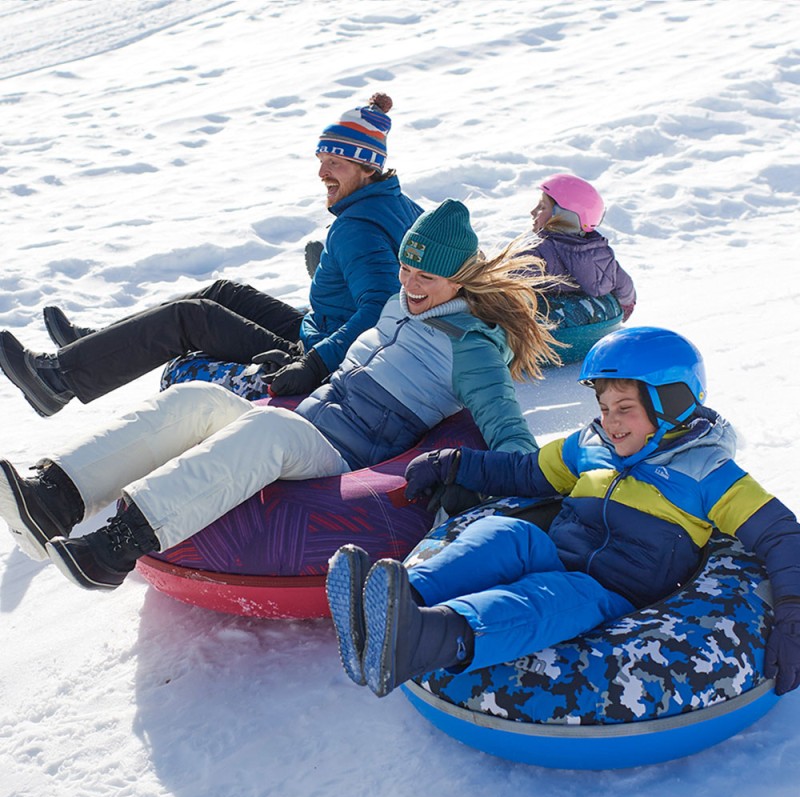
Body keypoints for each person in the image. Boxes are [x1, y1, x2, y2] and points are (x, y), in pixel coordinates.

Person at [0, 199, 561, 592]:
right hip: (312, 417)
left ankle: (116, 547)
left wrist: (530, 486)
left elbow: (505, 426)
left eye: (426, 278)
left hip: (343, 456)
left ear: (460, 280)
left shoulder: (473, 346)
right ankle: (55, 496)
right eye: (405, 268)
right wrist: (306, 365)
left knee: (269, 430)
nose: (410, 284)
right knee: (195, 397)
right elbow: (355, 346)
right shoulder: (401, 302)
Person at [326, 326, 800, 699]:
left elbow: (781, 534)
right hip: (556, 552)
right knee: (508, 534)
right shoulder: (591, 445)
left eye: (625, 408)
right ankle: (397, 600)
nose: (610, 422)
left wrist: (794, 612)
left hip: (612, 593)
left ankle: (428, 637)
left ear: (671, 405)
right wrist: (457, 463)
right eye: (603, 406)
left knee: (550, 595)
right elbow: (528, 473)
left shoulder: (709, 472)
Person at [0, 94, 423, 416]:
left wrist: (314, 363)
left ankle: (58, 379)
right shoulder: (398, 204)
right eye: (321, 159)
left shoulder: (357, 229)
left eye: (336, 162)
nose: (321, 173)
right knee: (226, 291)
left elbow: (380, 311)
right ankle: (94, 347)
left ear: (367, 167)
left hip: (320, 355)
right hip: (323, 331)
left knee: (190, 317)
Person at [526, 173, 637, 322]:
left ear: (564, 216)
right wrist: (625, 307)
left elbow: (506, 283)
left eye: (542, 207)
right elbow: (626, 286)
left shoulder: (538, 252)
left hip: (557, 330)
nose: (533, 212)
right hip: (599, 322)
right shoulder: (601, 255)